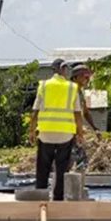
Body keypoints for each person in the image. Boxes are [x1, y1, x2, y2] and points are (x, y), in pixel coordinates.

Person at [29, 58, 85, 200]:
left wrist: (31, 131)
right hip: (65, 135)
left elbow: (35, 111)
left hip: (45, 133)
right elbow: (77, 113)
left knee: (43, 168)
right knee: (61, 169)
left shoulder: (43, 86)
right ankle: (58, 198)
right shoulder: (72, 88)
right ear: (63, 69)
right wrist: (80, 133)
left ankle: (40, 196)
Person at [69, 63, 99, 172]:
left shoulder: (80, 92)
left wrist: (95, 128)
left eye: (88, 77)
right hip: (69, 131)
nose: (87, 79)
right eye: (85, 76)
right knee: (77, 160)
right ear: (76, 77)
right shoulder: (70, 91)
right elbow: (74, 113)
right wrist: (78, 132)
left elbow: (85, 113)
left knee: (80, 160)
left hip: (76, 132)